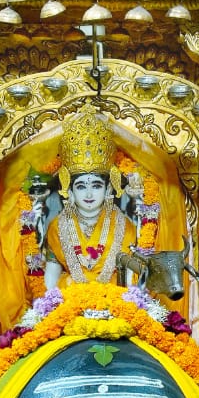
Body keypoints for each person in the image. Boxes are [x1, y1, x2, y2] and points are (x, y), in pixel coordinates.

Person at [44, 107, 136, 289]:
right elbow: (51, 274)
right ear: (69, 190)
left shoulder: (123, 225)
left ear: (108, 188)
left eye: (96, 186)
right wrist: (48, 302)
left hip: (113, 297)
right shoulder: (57, 226)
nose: (88, 194)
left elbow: (130, 274)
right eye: (81, 186)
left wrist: (129, 300)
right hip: (68, 296)